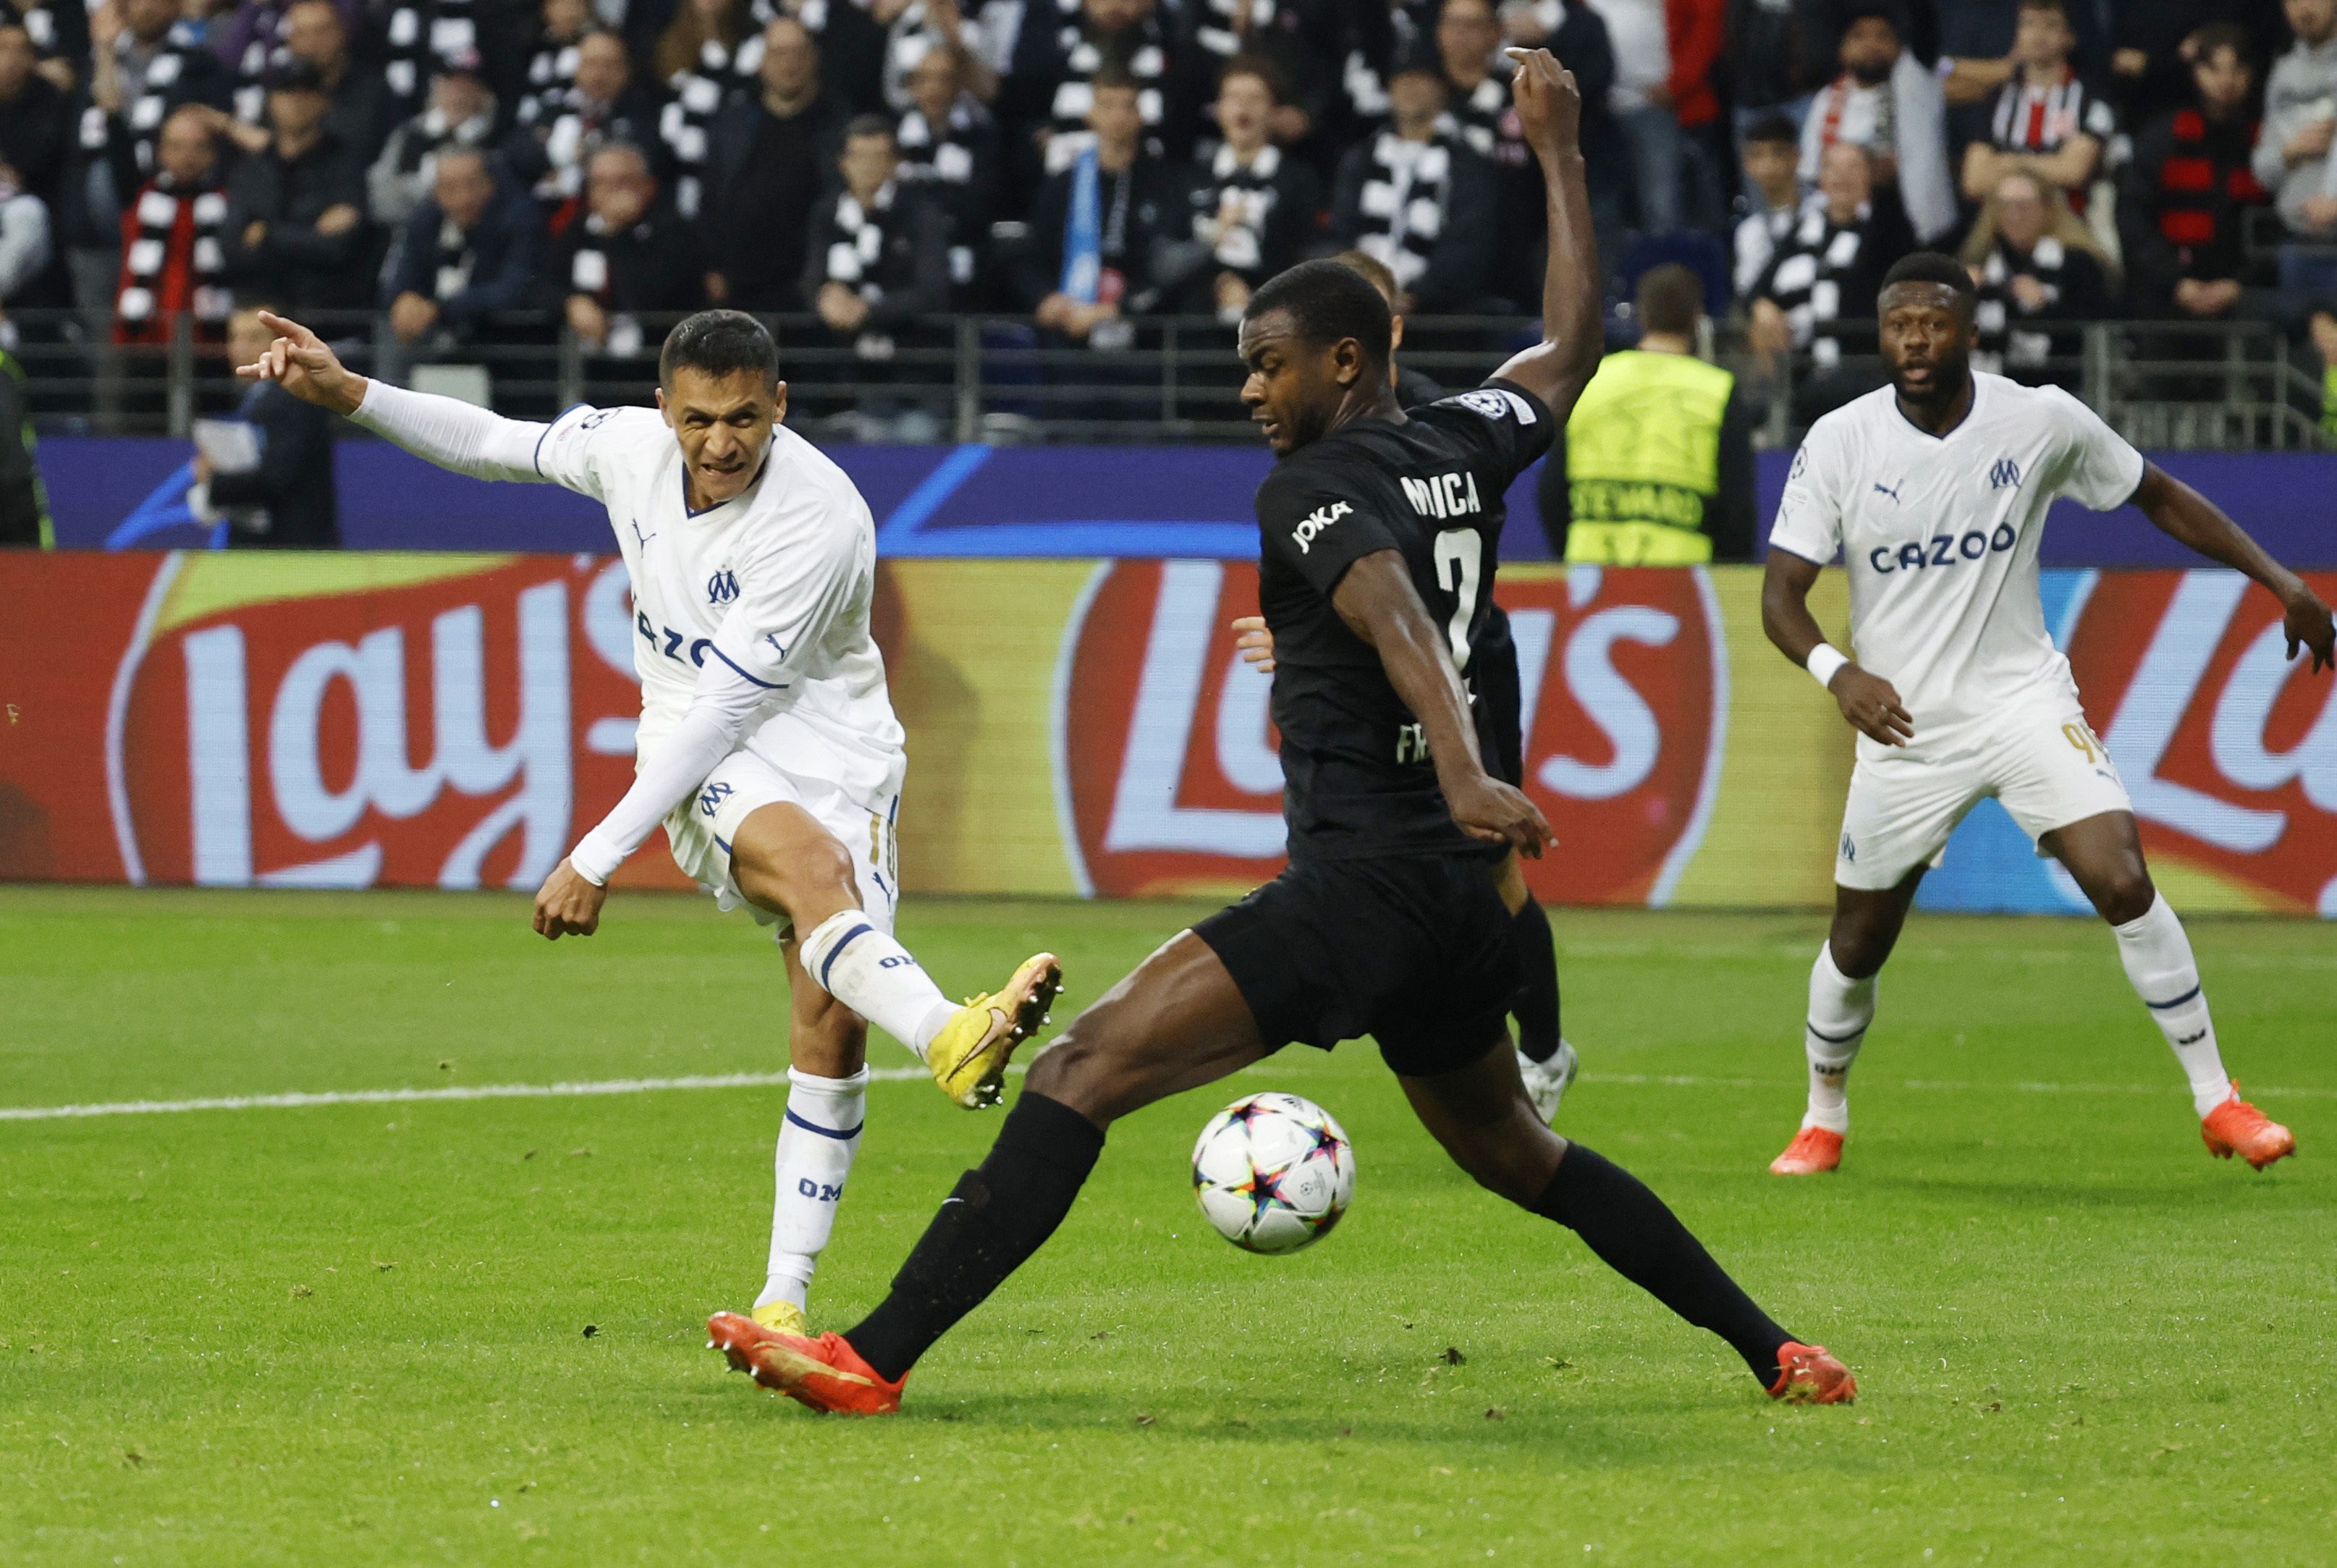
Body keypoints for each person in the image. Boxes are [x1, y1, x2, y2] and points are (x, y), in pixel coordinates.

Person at [706, 49, 1859, 1418]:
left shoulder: (1309, 489)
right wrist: (1556, 155)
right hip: (1452, 904)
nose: (1249, 393)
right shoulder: (1459, 441)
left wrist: (1460, 758)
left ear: (1345, 359)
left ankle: (870, 1355)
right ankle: (1775, 1347)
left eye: (1266, 367)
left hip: (1361, 882)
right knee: (1515, 1151)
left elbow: (1386, 611)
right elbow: (1569, 350)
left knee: (1077, 1070)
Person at [234, 305, 1066, 1337]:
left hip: (835, 746)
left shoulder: (818, 517)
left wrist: (591, 854)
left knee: (830, 1018)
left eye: (747, 420)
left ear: (781, 407)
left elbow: (740, 699)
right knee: (812, 876)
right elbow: (498, 444)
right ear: (664, 407)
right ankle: (952, 1032)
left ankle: (782, 1300)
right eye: (701, 418)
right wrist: (353, 392)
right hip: (696, 741)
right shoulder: (625, 447)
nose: (723, 443)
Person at [1759, 250, 2331, 1179]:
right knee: (1859, 941)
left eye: (1933, 321)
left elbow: (2158, 495)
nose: (1914, 337)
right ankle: (1823, 1115)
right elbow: (1781, 597)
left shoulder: (2040, 419)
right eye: (1898, 322)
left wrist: (2279, 582)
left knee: (2121, 879)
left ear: (1969, 330)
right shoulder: (1839, 441)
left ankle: (2218, 1100)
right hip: (1903, 727)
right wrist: (1839, 673)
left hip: (2022, 703)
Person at [1232, 244, 1581, 1124]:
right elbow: (1365, 593)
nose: (1256, 388)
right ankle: (1502, 1053)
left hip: (1463, 669)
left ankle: (1538, 1053)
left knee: (1496, 874)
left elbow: (1396, 599)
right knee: (1463, 876)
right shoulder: (1352, 435)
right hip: (1409, 672)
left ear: (1367, 345)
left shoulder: (1427, 419)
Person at [1544, 262, 1756, 563]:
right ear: (1697, 318)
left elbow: (1551, 492)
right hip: (1684, 582)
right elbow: (1737, 510)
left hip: (1591, 577)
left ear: (1642, 315)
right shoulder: (1719, 390)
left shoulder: (1592, 380)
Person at [1017, 67, 1199, 352]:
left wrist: (1118, 309)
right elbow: (1032, 254)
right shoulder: (1062, 184)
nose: (1118, 116)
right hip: (1070, 329)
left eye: (1128, 106)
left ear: (1141, 117)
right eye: (1107, 105)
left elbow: (1169, 266)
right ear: (1090, 117)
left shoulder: (1167, 184)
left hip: (1144, 340)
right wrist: (1045, 298)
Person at [1747, 139, 1913, 417]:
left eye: (1853, 167)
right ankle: (1772, 412)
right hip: (1806, 370)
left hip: (1866, 373)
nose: (1841, 176)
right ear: (1821, 178)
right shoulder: (1803, 230)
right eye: (1832, 168)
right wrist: (1764, 309)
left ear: (1869, 178)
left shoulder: (1887, 229)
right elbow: (1758, 291)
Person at [2119, 23, 2268, 323]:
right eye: (2214, 69)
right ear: (2196, 72)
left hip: (2246, 298)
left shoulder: (2266, 143)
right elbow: (2133, 216)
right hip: (2167, 298)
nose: (2226, 81)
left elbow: (2273, 225)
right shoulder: (2163, 137)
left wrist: (2242, 282)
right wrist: (2174, 280)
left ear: (2251, 74)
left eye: (2237, 69)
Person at [1328, 52, 1498, 313]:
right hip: (1360, 306)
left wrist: (1418, 295)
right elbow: (1342, 227)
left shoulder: (1466, 162)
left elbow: (1467, 239)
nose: (1410, 88)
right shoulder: (1361, 157)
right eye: (1402, 80)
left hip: (1436, 314)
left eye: (1421, 80)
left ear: (1442, 90)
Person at [704, 15, 847, 310]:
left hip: (812, 292)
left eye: (798, 53)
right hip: (741, 288)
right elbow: (711, 198)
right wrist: (711, 264)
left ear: (814, 59)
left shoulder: (837, 125)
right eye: (779, 53)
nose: (789, 63)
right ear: (762, 62)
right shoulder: (734, 125)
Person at [1797, 4, 1955, 244]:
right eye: (1859, 37)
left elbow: (1925, 32)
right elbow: (1811, 173)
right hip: (1848, 233)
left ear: (1899, 47)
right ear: (1842, 49)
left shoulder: (1916, 87)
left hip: (1918, 234)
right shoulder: (1826, 100)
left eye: (1883, 36)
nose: (1871, 45)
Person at [221, 61, 369, 311]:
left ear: (324, 102)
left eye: (307, 92)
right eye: (287, 92)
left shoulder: (346, 165)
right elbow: (232, 248)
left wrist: (267, 234)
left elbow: (337, 248)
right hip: (259, 318)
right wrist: (307, 235)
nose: (297, 102)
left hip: (328, 320)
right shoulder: (251, 169)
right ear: (271, 102)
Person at [190, 304, 339, 547]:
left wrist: (215, 481)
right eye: (234, 338)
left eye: (254, 338)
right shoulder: (257, 397)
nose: (240, 348)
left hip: (292, 551)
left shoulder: (295, 396)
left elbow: (278, 477)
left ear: (280, 345)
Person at [1185, 55, 1319, 322]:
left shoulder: (1299, 180)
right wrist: (1220, 281)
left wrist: (1258, 295)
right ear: (1218, 108)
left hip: (1277, 325)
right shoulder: (1190, 178)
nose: (1243, 106)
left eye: (1255, 98)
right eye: (1233, 97)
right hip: (1198, 331)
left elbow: (1307, 258)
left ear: (1273, 110)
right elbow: (1169, 262)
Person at [554, 141, 709, 359]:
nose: (610, 192)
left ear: (648, 185)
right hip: (588, 364)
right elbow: (545, 281)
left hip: (656, 360)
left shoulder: (674, 231)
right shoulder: (580, 229)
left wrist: (617, 236)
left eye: (622, 182)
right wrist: (570, 302)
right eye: (600, 182)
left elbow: (649, 299)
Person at [1958, 0, 2115, 210]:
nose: (2038, 35)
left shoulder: (2092, 99)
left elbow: (2074, 171)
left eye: (2051, 25)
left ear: (2070, 37)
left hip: (2068, 219)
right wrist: (2050, 166)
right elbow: (1974, 181)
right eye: (2029, 24)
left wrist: (2009, 163)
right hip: (2003, 219)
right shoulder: (1998, 98)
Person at [379, 147, 543, 349]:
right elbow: (402, 275)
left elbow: (513, 289)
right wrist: (403, 297)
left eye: (472, 185)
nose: (463, 198)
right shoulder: (425, 220)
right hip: (431, 339)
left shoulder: (519, 218)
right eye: (450, 188)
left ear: (490, 185)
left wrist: (440, 309)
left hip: (504, 345)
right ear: (436, 192)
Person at [1961, 169, 2113, 384]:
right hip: (1989, 384)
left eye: (2024, 206)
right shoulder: (1978, 259)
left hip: (2059, 385)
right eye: (2005, 206)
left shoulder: (2077, 262)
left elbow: (2093, 328)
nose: (2015, 215)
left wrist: (2044, 307)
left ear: (2047, 209)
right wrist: (1962, 297)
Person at [113, 104, 231, 346]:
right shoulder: (138, 196)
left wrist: (226, 124)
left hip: (210, 339)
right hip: (144, 335)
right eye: (177, 146)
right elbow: (112, 121)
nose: (188, 156)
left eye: (199, 147)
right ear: (161, 152)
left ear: (214, 154)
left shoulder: (229, 202)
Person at [2250, 0, 2337, 294]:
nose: (2305, 8)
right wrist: (2291, 153)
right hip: (2299, 244)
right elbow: (2262, 169)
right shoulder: (2282, 73)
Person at [367, 47, 499, 228]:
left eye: (465, 85)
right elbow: (380, 198)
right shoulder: (410, 134)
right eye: (449, 85)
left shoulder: (496, 139)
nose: (457, 95)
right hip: (408, 230)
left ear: (482, 91)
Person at [1731, 110, 1804, 300]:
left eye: (1777, 153)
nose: (1768, 164)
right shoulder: (1748, 232)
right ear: (1747, 165)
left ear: (1796, 157)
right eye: (1757, 155)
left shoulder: (1821, 213)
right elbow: (1748, 294)